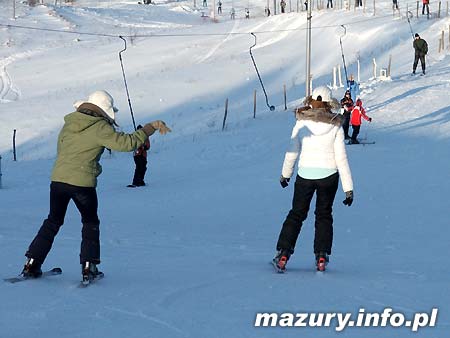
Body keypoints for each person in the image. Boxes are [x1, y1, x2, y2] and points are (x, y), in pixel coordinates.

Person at [20, 90, 171, 282]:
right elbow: (126, 143)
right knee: (90, 223)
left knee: (53, 221)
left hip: (58, 181)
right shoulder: (99, 127)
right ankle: (89, 267)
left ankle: (32, 263)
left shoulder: (69, 124)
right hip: (82, 184)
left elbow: (63, 150)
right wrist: (151, 127)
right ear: (104, 111)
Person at [273, 86, 354, 272]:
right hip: (329, 176)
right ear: (328, 103)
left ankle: (283, 253)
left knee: (296, 214)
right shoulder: (335, 125)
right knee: (324, 215)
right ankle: (321, 256)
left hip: (305, 176)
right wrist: (348, 188)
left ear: (311, 101)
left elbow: (292, 152)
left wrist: (285, 174)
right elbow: (341, 158)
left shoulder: (301, 123)